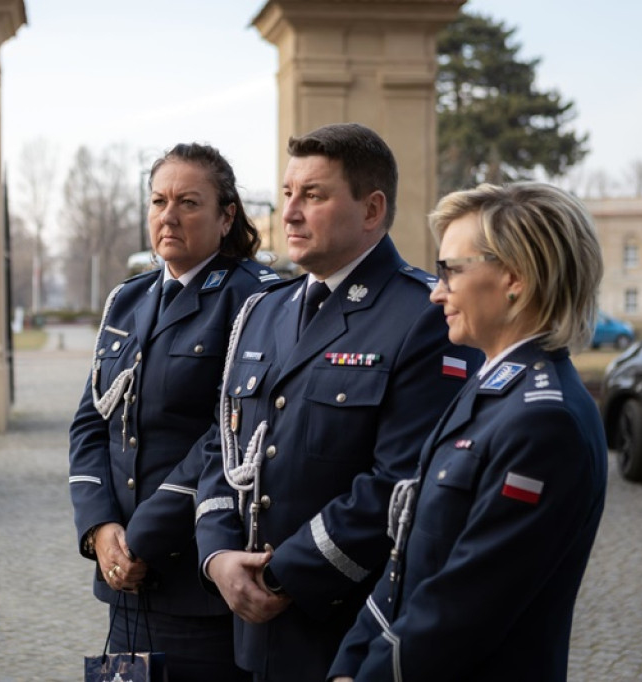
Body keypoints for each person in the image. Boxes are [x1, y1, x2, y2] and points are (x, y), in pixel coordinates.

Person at [193, 123, 481, 682]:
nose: (291, 213)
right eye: (286, 195)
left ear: (371, 210)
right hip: (251, 634)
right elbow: (221, 444)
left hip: (348, 635)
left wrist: (281, 577)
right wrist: (218, 556)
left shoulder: (423, 316)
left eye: (314, 196)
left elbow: (403, 482)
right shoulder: (263, 311)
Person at [330, 182, 607, 682]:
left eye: (450, 271)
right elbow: (404, 565)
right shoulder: (491, 387)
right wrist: (348, 664)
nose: (436, 292)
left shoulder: (544, 421)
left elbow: (462, 608)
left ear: (515, 278)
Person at [69, 142, 279, 681]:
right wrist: (99, 528)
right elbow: (92, 419)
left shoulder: (256, 302)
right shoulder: (127, 299)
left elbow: (225, 435)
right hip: (123, 580)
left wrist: (141, 538)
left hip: (195, 582)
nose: (169, 216)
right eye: (159, 200)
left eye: (188, 202)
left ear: (226, 215)